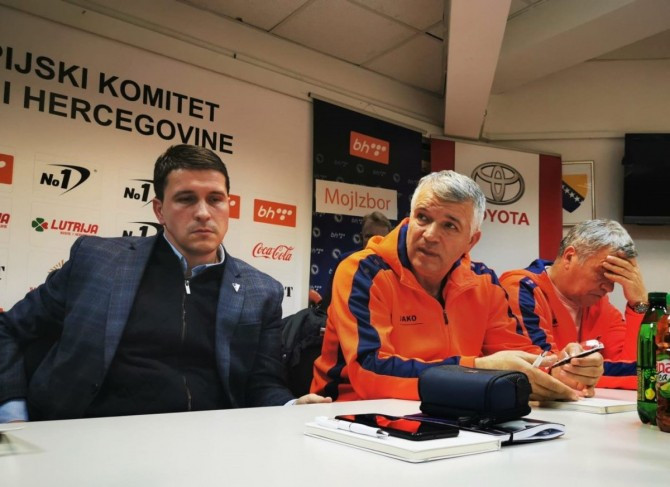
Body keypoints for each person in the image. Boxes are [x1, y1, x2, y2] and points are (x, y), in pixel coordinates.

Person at [0, 144, 328, 422]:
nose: (203, 212)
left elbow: (262, 384)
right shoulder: (97, 261)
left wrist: (290, 408)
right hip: (83, 433)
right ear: (159, 210)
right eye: (186, 199)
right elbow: (9, 329)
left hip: (206, 443)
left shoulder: (262, 291)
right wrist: (13, 414)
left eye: (215, 199)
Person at [311, 170, 590, 402]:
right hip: (352, 416)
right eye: (423, 218)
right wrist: (476, 369)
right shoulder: (362, 271)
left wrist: (562, 368)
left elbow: (518, 354)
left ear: (471, 241)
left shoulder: (484, 283)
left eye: (450, 226)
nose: (430, 235)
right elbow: (370, 372)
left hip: (447, 412)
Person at [500, 219, 646, 391]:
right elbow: (546, 370)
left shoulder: (600, 305)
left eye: (615, 278)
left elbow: (638, 368)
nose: (609, 288)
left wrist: (639, 305)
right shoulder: (522, 289)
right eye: (603, 273)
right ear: (569, 257)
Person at [319, 211, 393, 309]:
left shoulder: (395, 266)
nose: (373, 241)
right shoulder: (345, 261)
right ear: (361, 237)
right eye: (369, 236)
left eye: (380, 238)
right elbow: (328, 303)